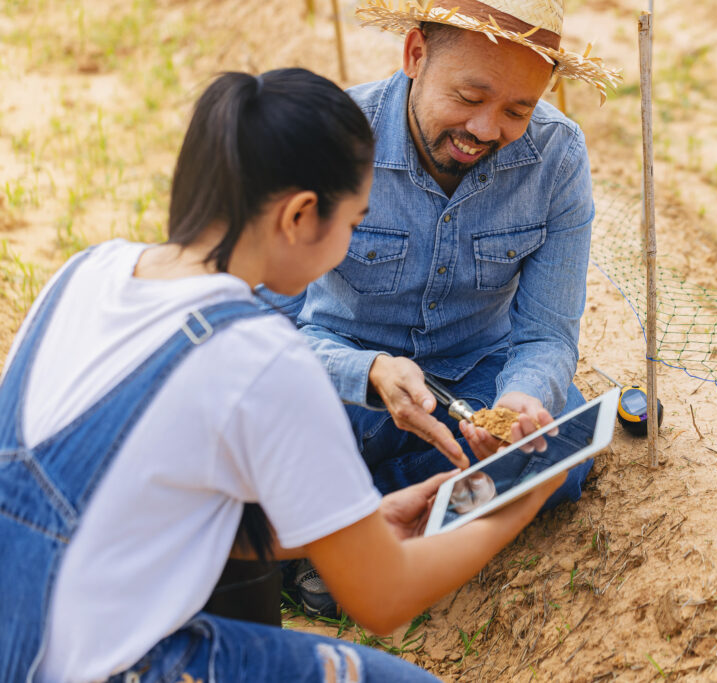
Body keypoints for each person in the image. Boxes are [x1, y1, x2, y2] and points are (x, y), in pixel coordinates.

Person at [0, 67, 566, 683]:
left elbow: (154, 509)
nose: (349, 244)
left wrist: (358, 522)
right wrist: (522, 495)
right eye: (352, 224)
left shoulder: (91, 269)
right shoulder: (263, 355)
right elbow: (383, 600)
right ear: (300, 216)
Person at [265, 0, 621, 616]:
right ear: (415, 56)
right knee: (261, 426)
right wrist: (368, 373)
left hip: (471, 380)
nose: (485, 129)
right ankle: (355, 531)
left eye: (517, 110)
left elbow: (546, 335)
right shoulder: (332, 140)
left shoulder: (558, 159)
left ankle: (336, 532)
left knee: (555, 463)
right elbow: (261, 330)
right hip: (339, 377)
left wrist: (520, 401)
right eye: (469, 96)